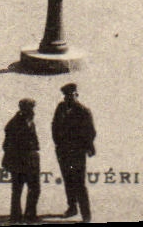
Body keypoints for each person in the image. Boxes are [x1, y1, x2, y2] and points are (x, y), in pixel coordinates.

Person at [52, 83, 96, 222]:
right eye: (66, 96)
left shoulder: (83, 111)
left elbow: (90, 132)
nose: (68, 98)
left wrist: (85, 147)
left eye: (71, 95)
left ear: (77, 95)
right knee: (68, 180)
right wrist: (58, 144)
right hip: (63, 151)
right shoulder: (60, 108)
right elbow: (54, 126)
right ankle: (72, 208)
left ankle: (86, 215)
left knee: (79, 183)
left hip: (77, 153)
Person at [3, 98, 42, 223]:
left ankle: (26, 215)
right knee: (21, 189)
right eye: (30, 108)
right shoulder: (15, 123)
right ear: (24, 109)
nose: (33, 110)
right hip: (21, 160)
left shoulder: (28, 120)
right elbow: (7, 145)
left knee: (30, 188)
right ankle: (19, 216)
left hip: (30, 159)